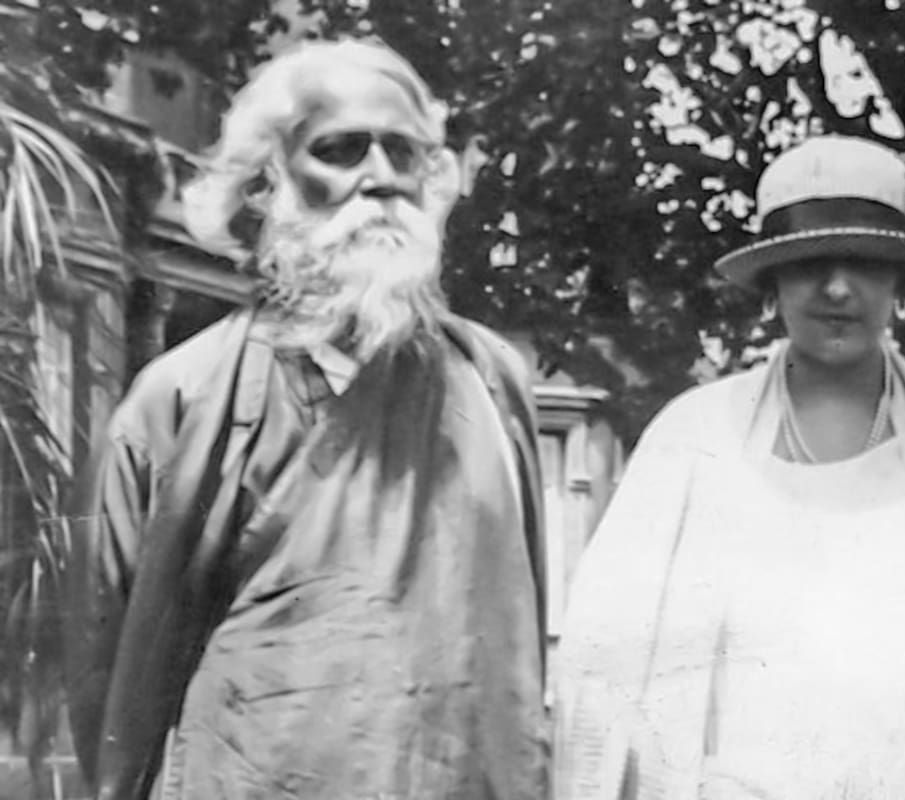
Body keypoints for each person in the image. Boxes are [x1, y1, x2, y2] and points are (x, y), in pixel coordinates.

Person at [553, 135, 905, 800]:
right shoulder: (689, 444)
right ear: (771, 284)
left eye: (862, 261)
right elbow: (601, 665)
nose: (836, 288)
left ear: (899, 281)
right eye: (808, 263)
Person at [63, 38, 547, 800]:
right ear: (268, 183)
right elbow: (107, 673)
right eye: (340, 150)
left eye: (404, 153)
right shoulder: (181, 401)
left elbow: (517, 652)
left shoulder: (491, 385)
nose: (381, 179)